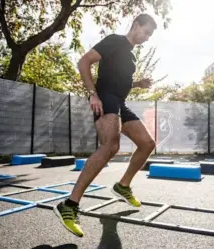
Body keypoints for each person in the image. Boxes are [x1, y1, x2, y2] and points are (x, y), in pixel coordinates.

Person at [53, 13, 158, 237]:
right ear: (136, 25)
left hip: (120, 101)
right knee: (110, 147)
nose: (148, 37)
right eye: (146, 32)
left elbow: (122, 82)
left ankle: (123, 186)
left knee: (147, 143)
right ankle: (69, 206)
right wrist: (93, 95)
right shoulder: (115, 40)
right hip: (105, 98)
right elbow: (84, 61)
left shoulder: (131, 58)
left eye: (150, 35)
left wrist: (139, 83)